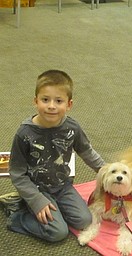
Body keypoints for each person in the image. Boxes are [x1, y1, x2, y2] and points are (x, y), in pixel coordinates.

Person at [0, 70, 105, 242]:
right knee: (58, 232)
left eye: (58, 101)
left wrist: (106, 171)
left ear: (69, 104)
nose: (51, 106)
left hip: (62, 186)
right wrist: (36, 200)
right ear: (35, 101)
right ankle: (16, 214)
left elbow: (87, 152)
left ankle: (48, 206)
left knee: (84, 220)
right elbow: (17, 172)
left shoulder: (72, 127)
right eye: (45, 99)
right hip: (36, 189)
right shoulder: (24, 133)